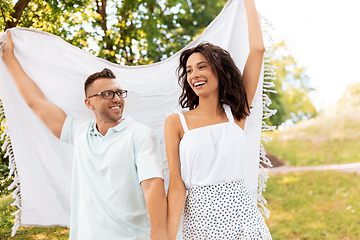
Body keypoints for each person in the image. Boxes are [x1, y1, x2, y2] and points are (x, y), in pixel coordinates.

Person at [2, 31, 170, 240]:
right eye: (107, 94)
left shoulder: (140, 134)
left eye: (119, 92)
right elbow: (36, 102)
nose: (116, 98)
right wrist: (8, 56)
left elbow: (153, 185)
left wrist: (160, 234)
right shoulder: (79, 132)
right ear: (88, 103)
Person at [165, 0, 272, 239]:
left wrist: (249, 2)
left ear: (218, 71)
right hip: (201, 223)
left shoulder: (236, 114)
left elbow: (258, 49)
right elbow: (176, 185)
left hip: (244, 218)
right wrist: (168, 236)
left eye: (201, 66)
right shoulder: (176, 122)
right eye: (189, 70)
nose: (194, 75)